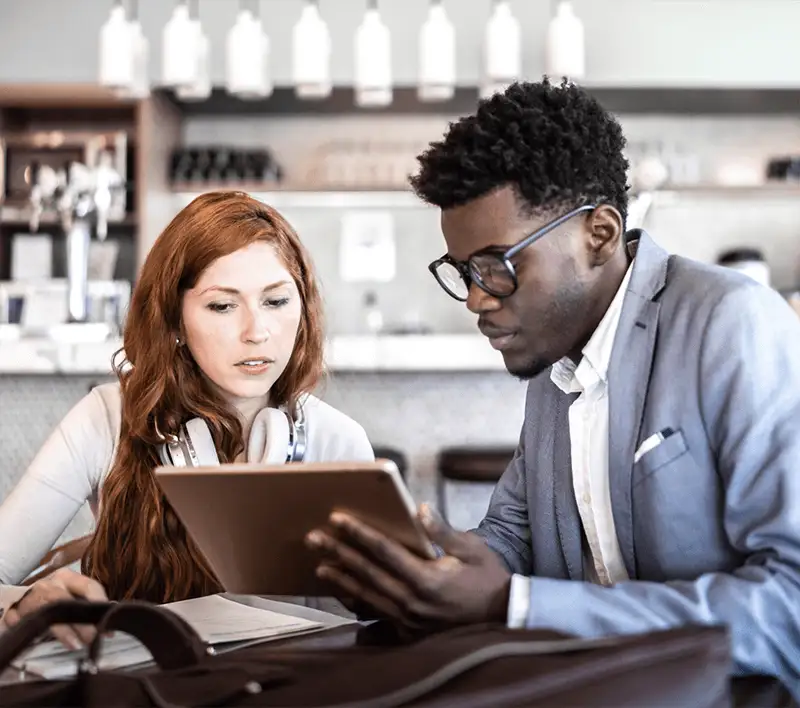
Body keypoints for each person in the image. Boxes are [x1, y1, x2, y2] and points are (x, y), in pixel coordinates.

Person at [305, 79, 800, 696]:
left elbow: (790, 608)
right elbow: (513, 537)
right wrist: (418, 573)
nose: (478, 299)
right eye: (465, 273)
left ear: (599, 234)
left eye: (499, 267)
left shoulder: (733, 324)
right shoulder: (552, 359)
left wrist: (516, 607)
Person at [0, 191, 374, 646]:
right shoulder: (105, 418)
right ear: (174, 321)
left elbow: (370, 626)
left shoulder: (339, 441)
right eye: (222, 306)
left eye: (276, 302)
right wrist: (25, 606)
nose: (257, 332)